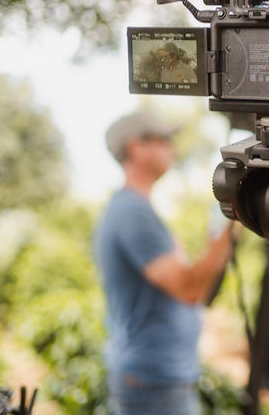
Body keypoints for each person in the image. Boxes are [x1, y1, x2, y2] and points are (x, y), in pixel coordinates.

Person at [94, 111, 237, 415]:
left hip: (160, 380)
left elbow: (196, 294)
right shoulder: (133, 213)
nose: (172, 147)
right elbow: (186, 287)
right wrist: (227, 232)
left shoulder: (136, 209)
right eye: (164, 140)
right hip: (154, 385)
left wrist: (221, 245)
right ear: (136, 147)